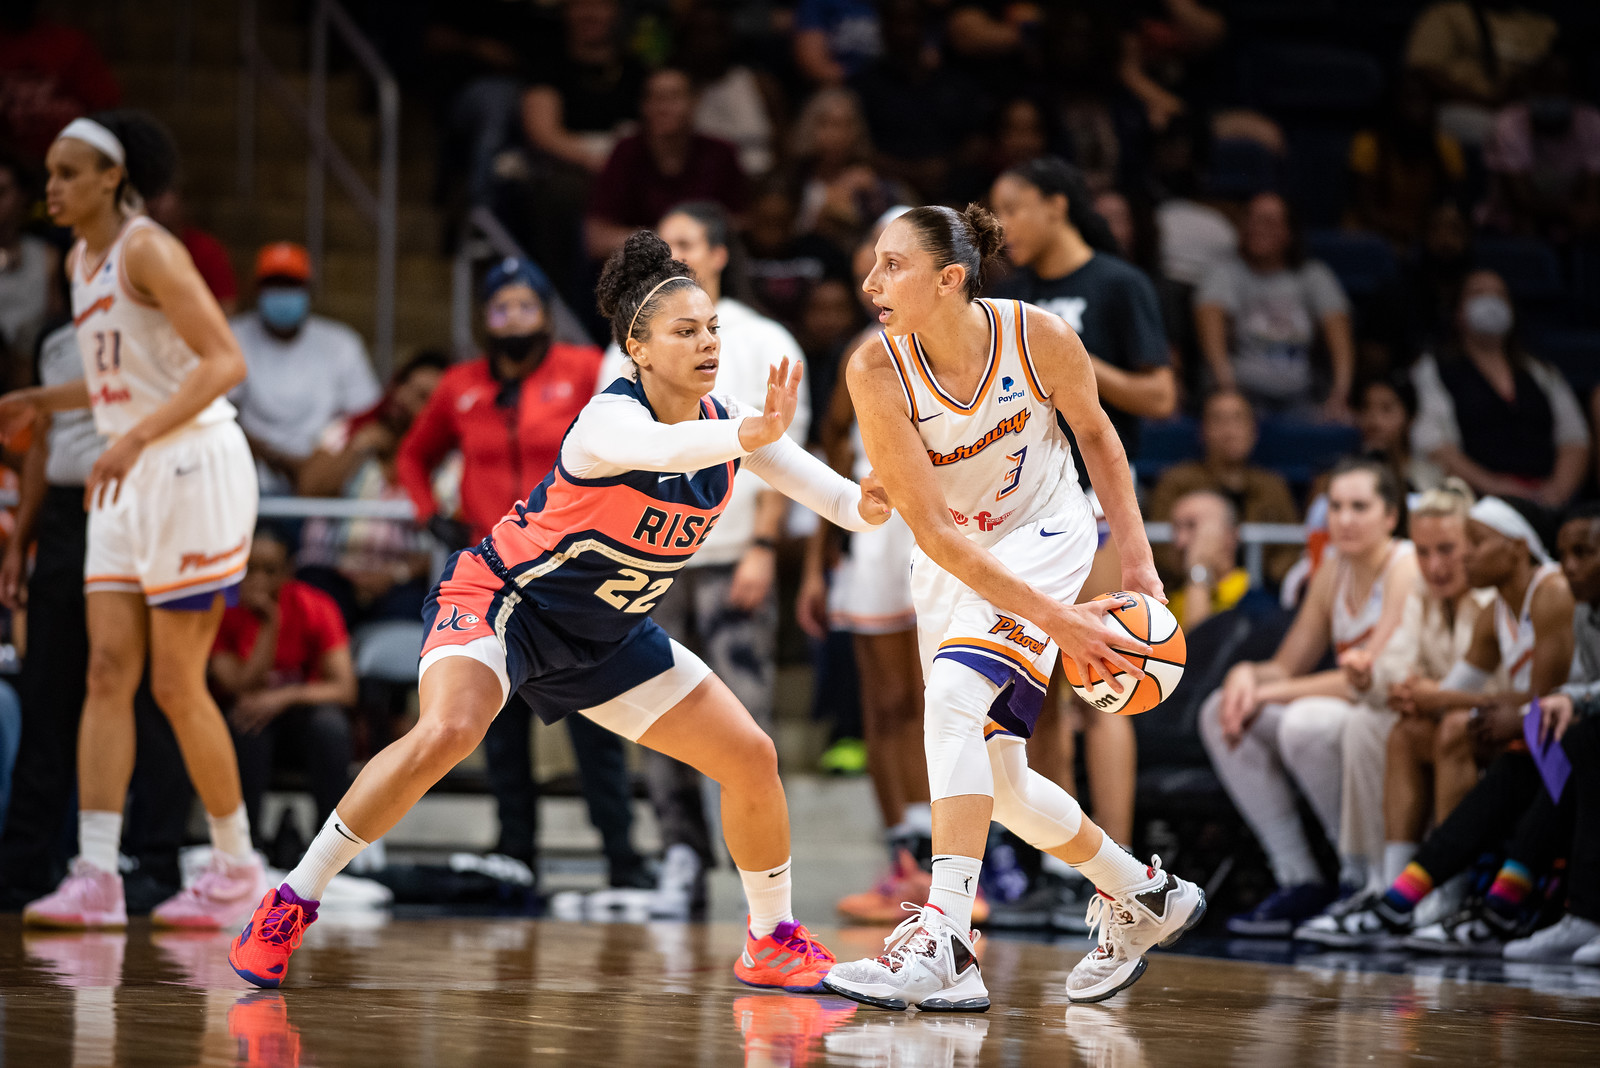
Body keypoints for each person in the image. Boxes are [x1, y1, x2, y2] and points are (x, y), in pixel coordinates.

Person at [229, 229, 892, 990]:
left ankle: (770, 937)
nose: (708, 342)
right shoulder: (609, 423)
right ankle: (290, 900)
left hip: (607, 637)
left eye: (711, 327)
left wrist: (875, 500)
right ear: (637, 349)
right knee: (447, 731)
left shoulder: (733, 421)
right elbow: (674, 451)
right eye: (686, 331)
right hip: (505, 605)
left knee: (752, 757)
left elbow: (836, 499)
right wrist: (749, 433)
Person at [823, 203, 1204, 1012]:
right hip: (954, 561)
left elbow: (1100, 439)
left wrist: (1135, 556)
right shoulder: (875, 369)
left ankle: (948, 941)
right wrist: (1060, 624)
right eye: (873, 264)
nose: (871, 281)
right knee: (999, 786)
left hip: (1048, 529)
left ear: (949, 278)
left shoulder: (1039, 339)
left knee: (957, 702)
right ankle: (1144, 894)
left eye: (893, 265)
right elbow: (930, 531)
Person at [0, 111, 265, 928]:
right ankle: (95, 875)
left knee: (175, 682)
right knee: (105, 674)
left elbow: (225, 361)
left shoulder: (146, 247)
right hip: (128, 467)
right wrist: (49, 400)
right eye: (48, 172)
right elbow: (130, 373)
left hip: (188, 463)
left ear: (113, 178)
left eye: (69, 172)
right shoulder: (81, 260)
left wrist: (138, 435)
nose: (52, 187)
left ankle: (236, 868)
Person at [395, 257, 644, 887]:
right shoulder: (459, 385)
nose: (514, 319)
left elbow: (629, 436)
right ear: (484, 318)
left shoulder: (585, 369)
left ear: (545, 313)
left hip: (571, 571)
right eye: (500, 308)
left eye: (525, 307)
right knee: (494, 722)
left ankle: (621, 854)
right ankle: (514, 855)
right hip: (493, 576)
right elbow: (412, 455)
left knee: (594, 717)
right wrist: (431, 514)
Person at [593, 202, 809, 917]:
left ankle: (762, 891)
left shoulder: (763, 338)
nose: (674, 251)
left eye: (687, 242)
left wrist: (765, 548)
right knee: (661, 718)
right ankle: (680, 857)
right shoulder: (627, 342)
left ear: (718, 254)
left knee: (744, 723)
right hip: (647, 562)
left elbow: (784, 459)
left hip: (731, 557)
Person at [987, 156, 1176, 916]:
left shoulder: (1118, 285)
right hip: (1026, 507)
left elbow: (1161, 393)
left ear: (1056, 205)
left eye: (1013, 206)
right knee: (1044, 689)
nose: (1002, 227)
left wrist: (1072, 364)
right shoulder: (1011, 297)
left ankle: (1122, 873)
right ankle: (1063, 864)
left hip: (1099, 502)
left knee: (1107, 678)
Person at [1304, 496, 1574, 949]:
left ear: (1518, 546)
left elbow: (1543, 704)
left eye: (1475, 543)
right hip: (1518, 736)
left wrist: (1441, 697)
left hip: (1559, 737)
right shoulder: (1497, 612)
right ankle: (1394, 891)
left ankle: (1443, 896)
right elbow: (1456, 687)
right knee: (1409, 733)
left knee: (1454, 727)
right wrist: (1417, 696)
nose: (1465, 555)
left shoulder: (1551, 592)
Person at [1199, 459, 1418, 936]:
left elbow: (1369, 678)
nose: (1344, 519)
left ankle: (1359, 874)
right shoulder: (1334, 567)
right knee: (1220, 710)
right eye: (1335, 506)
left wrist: (1269, 691)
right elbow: (1287, 663)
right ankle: (1298, 877)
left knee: (1304, 721)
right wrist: (1244, 674)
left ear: (1391, 516)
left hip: (1398, 713)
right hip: (1354, 714)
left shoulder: (1406, 568)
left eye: (1360, 506)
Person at [212, 526, 358, 849]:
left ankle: (334, 848)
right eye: (250, 568)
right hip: (246, 723)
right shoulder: (224, 610)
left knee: (330, 726)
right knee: (246, 722)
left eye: (270, 570)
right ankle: (243, 848)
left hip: (297, 721)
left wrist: (282, 698)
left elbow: (345, 688)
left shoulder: (317, 606)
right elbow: (238, 686)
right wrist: (269, 625)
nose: (259, 579)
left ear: (289, 571)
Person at [1411, 269, 1589, 508]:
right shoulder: (1434, 369)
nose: (1490, 301)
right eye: (1478, 293)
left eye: (1499, 295)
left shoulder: (1541, 372)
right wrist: (1495, 487)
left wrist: (1558, 490)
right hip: (1477, 501)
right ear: (1458, 311)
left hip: (1548, 499)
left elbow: (1574, 437)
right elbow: (1434, 445)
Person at [297, 351, 447, 627]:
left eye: (422, 397)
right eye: (405, 385)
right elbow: (309, 489)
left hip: (404, 580)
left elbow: (458, 540)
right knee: (313, 600)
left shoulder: (450, 461)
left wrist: (396, 574)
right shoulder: (347, 431)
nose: (404, 399)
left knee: (419, 611)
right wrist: (359, 447)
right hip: (332, 569)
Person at [228, 243, 381, 495]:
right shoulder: (233, 337)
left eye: (291, 285)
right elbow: (221, 413)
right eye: (274, 284)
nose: (283, 293)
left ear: (308, 289)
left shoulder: (340, 342)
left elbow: (365, 416)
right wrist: (274, 457)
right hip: (251, 479)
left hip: (325, 482)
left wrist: (322, 465)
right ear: (257, 289)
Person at [1194, 192, 1355, 421]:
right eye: (1251, 219)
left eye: (1268, 222)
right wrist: (1227, 386)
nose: (1257, 227)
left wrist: (1340, 392)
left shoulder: (1313, 275)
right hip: (1243, 393)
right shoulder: (1225, 271)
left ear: (1289, 232)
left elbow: (1337, 325)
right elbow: (1210, 320)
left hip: (1302, 396)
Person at [585, 68, 746, 262]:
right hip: (644, 269)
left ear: (694, 102)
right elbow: (597, 240)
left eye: (674, 97)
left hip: (707, 268)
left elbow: (741, 225)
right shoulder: (626, 152)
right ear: (643, 106)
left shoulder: (720, 152)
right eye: (655, 98)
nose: (663, 108)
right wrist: (672, 242)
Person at [1148, 390, 1301, 587]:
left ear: (1254, 431)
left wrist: (1267, 575)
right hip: (1187, 587)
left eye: (1238, 420)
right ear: (1202, 431)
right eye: (1218, 421)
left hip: (1260, 592)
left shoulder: (1273, 486)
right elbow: (1159, 549)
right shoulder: (1176, 482)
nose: (1229, 431)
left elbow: (1291, 550)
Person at [1167, 489, 1276, 632]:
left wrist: (1200, 567)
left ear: (1230, 535)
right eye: (1176, 528)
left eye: (1192, 526)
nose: (1180, 541)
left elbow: (1199, 646)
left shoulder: (1257, 604)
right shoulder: (1165, 599)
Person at [0, 147, 56, 386]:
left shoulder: (48, 257)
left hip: (34, 376)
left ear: (23, 196)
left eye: (1, 192)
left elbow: (56, 329)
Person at [1355, 374, 1443, 494]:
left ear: (1410, 417)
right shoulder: (1344, 475)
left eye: (1386, 408)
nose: (1374, 419)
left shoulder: (1427, 477)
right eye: (1366, 407)